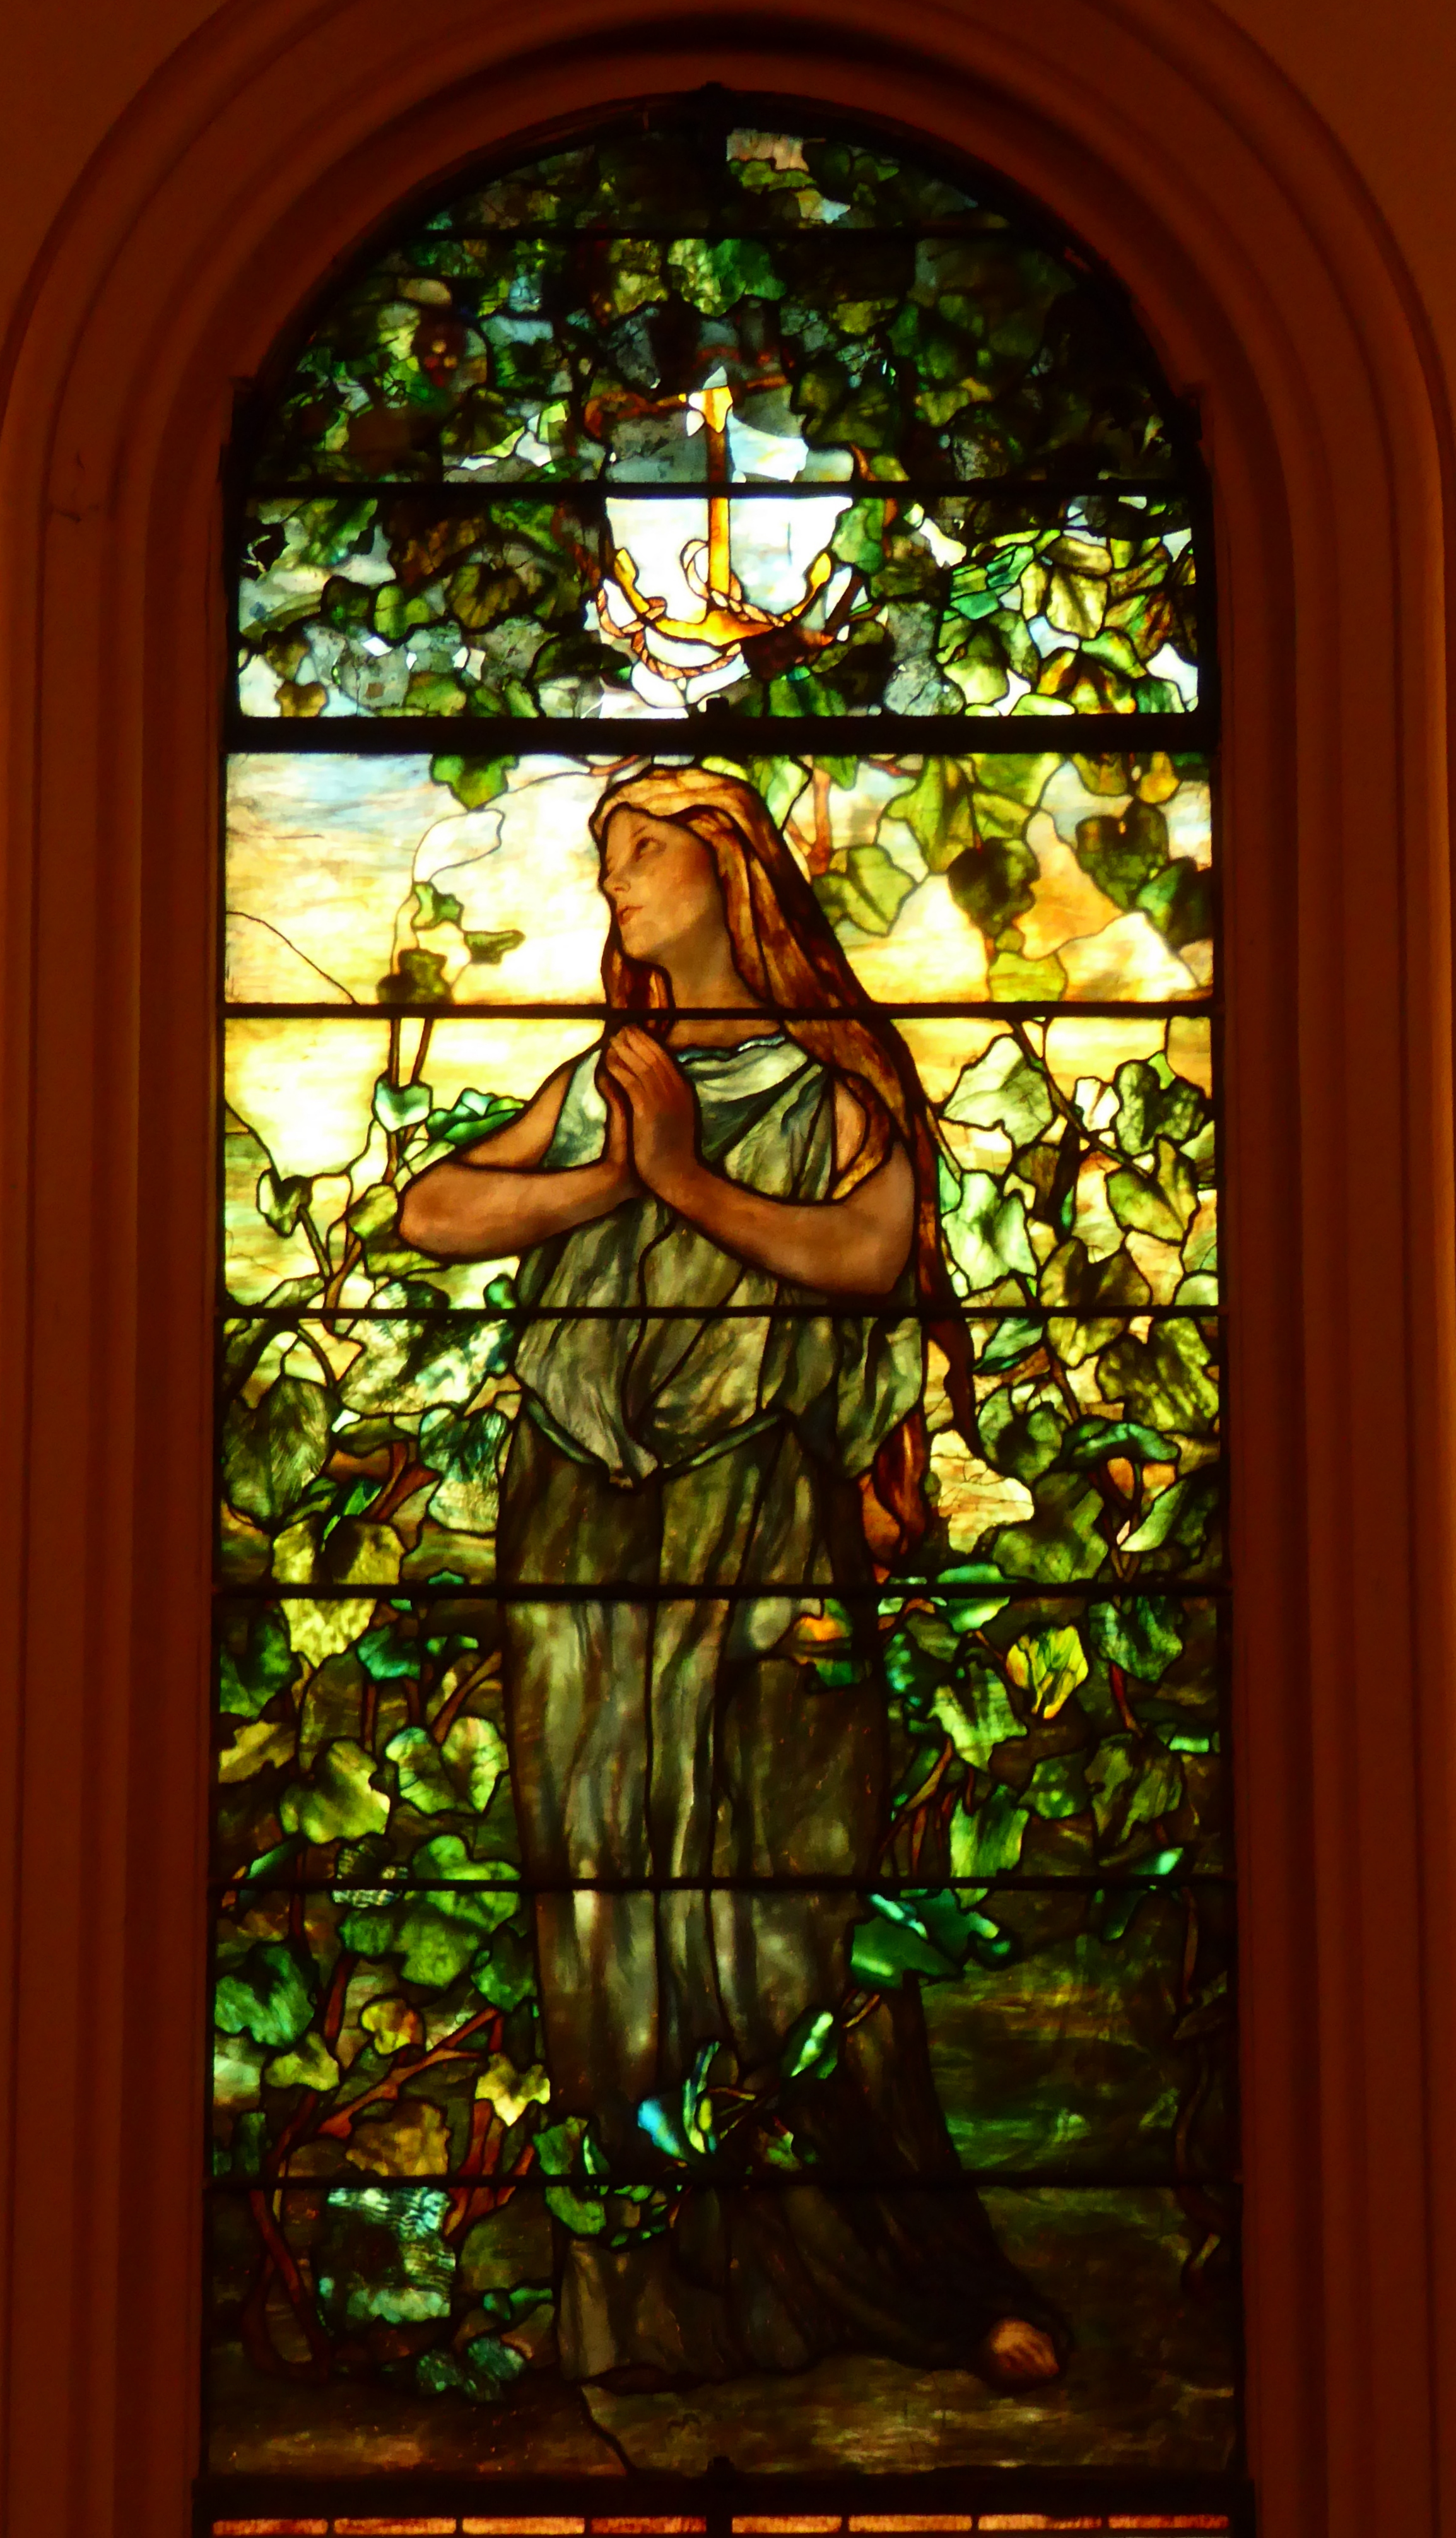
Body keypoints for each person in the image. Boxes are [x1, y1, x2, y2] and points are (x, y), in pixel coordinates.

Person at [401, 765, 1063, 2396]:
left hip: (755, 1512)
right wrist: (615, 1172)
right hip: (581, 1516)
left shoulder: (836, 1080)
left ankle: (914, 2279)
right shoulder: (610, 1079)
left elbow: (865, 1252)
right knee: (602, 1886)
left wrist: (687, 1176)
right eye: (605, 853)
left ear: (734, 871)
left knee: (790, 1899)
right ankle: (652, 2295)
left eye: (646, 849)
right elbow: (434, 1211)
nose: (616, 878)